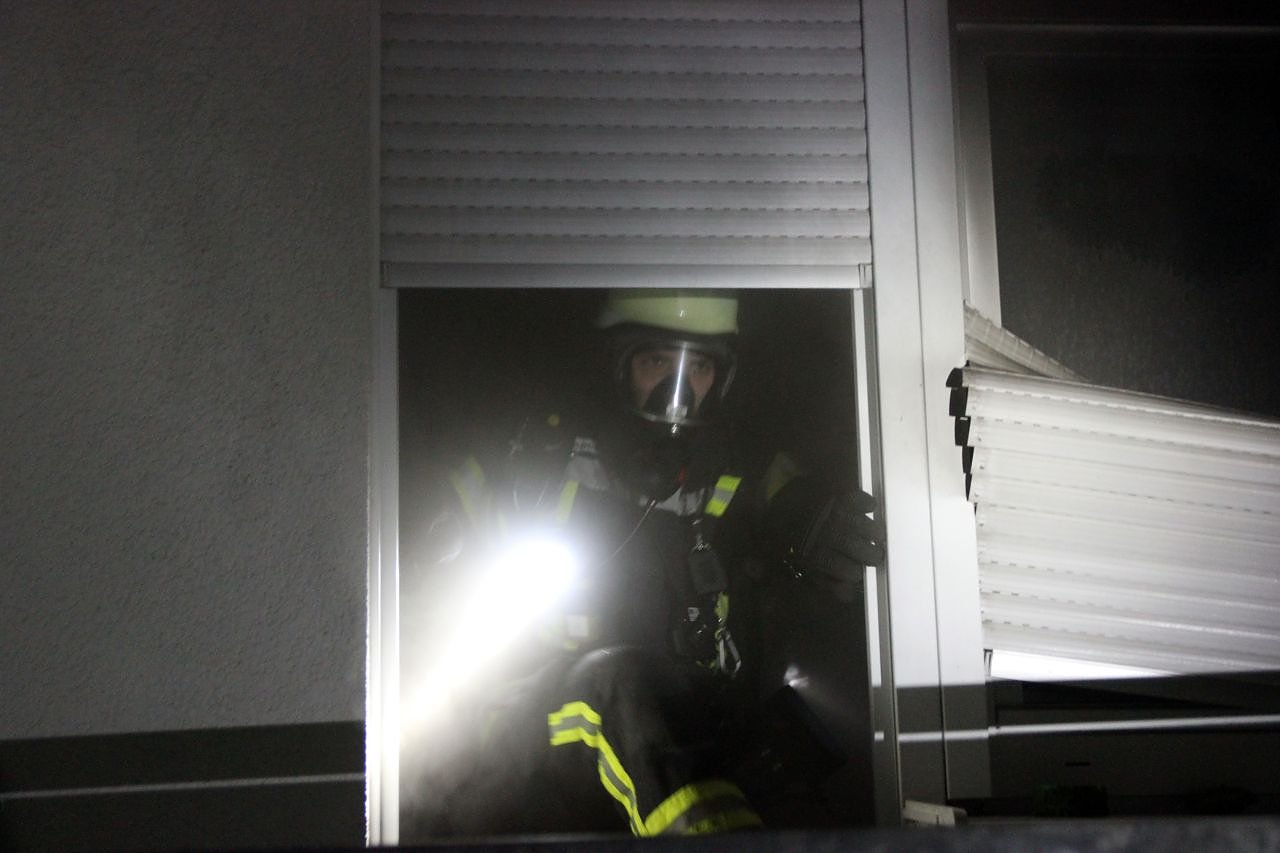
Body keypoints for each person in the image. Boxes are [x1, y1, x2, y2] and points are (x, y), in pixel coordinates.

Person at [400, 290, 883, 839]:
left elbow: (788, 501)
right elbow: (420, 553)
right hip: (525, 740)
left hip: (670, 737)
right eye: (656, 361)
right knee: (615, 681)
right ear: (616, 365)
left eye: (698, 367)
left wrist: (814, 523)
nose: (679, 388)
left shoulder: (727, 470)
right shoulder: (528, 464)